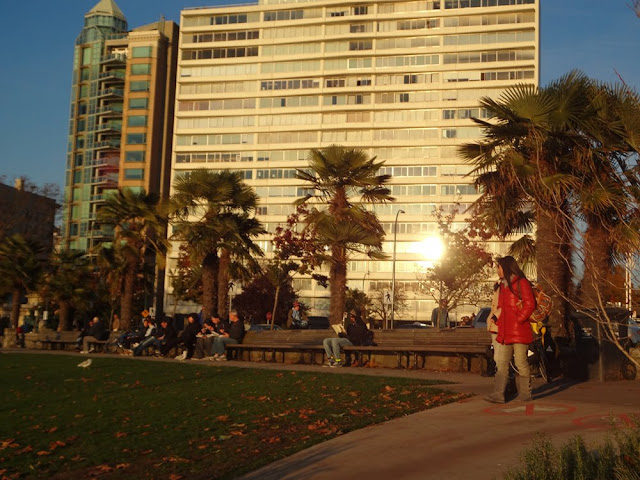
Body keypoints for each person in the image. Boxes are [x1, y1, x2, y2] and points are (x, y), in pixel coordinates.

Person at [484, 256, 536, 404]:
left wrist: (518, 319)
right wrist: (495, 318)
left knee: (521, 363)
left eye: (498, 267)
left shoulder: (521, 282)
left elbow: (529, 304)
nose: (497, 270)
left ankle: (525, 393)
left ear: (505, 267)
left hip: (519, 331)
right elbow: (501, 306)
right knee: (502, 362)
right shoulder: (503, 286)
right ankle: (498, 394)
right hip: (505, 331)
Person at [482, 283, 502, 377]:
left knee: (499, 354)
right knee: (497, 353)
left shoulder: (505, 287)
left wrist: (495, 317)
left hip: (499, 324)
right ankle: (500, 374)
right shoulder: (498, 288)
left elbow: (502, 306)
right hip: (494, 325)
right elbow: (494, 307)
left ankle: (503, 376)